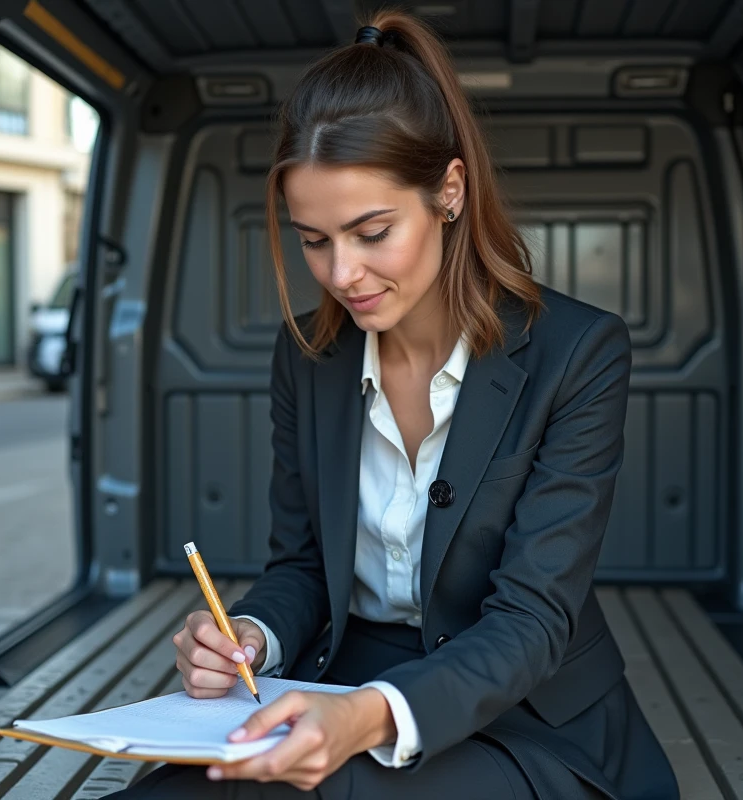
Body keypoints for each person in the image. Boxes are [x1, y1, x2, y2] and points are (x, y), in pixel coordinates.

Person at [107, 9, 679, 800]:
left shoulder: (578, 352)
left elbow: (532, 621)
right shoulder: (306, 355)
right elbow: (302, 567)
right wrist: (250, 637)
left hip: (526, 715)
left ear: (449, 191)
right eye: (314, 240)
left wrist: (367, 718)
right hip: (343, 681)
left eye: (372, 231)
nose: (341, 273)